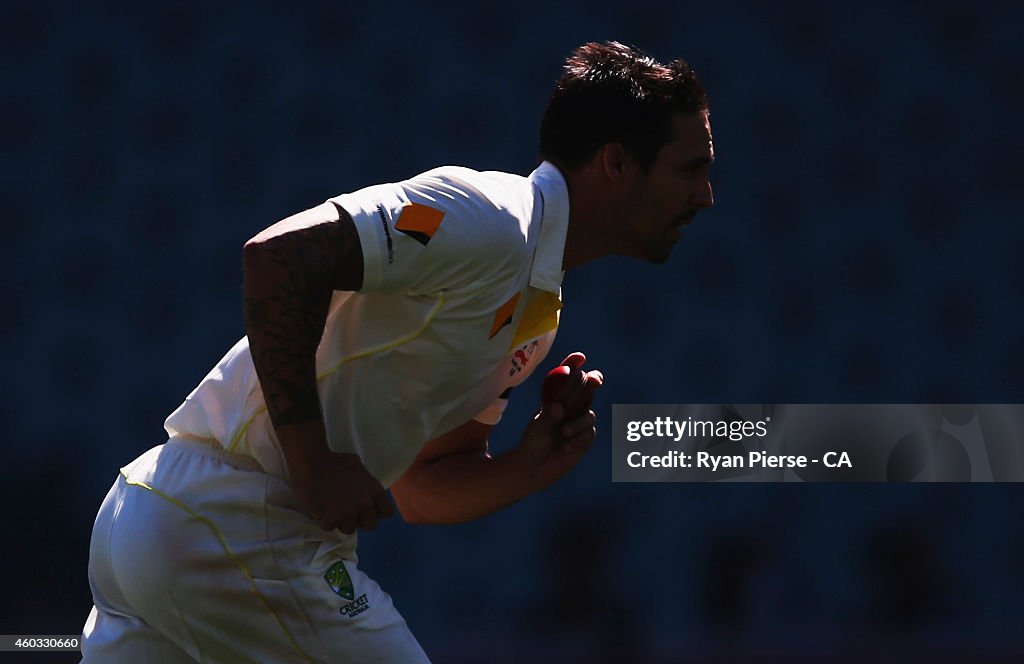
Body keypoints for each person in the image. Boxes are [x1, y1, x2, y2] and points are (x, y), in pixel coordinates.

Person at [81, 40, 714, 663]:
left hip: (153, 520)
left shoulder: (535, 315)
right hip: (238, 523)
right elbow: (278, 256)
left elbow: (420, 489)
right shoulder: (488, 218)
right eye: (690, 168)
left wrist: (531, 462)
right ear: (617, 164)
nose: (705, 195)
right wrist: (312, 462)